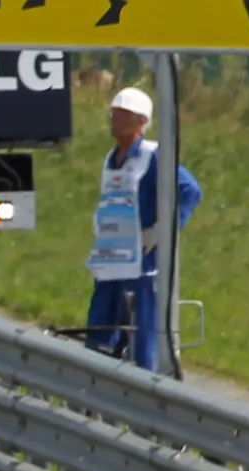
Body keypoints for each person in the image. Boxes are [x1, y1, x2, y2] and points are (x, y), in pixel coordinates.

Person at [81, 84, 200, 373]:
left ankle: (144, 391)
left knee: (143, 334)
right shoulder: (110, 159)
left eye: (123, 116)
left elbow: (190, 191)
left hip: (141, 262)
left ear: (142, 122)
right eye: (114, 114)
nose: (115, 121)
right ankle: (94, 391)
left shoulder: (153, 156)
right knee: (99, 332)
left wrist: (163, 231)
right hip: (110, 259)